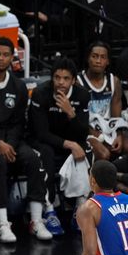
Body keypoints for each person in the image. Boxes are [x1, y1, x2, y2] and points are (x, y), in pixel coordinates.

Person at [0, 36, 52, 241]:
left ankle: (36, 220)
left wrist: (10, 145)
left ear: (11, 58)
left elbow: (18, 123)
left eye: (5, 55)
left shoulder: (18, 87)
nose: (0, 58)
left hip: (12, 139)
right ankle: (2, 223)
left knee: (33, 159)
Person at [27, 58, 91, 234]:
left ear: (73, 80)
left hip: (68, 139)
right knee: (45, 153)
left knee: (86, 150)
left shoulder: (82, 95)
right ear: (51, 78)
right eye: (57, 77)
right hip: (41, 140)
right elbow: (40, 133)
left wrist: (71, 113)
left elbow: (83, 133)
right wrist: (70, 144)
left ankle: (80, 209)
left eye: (66, 78)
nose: (61, 82)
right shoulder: (41, 94)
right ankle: (49, 211)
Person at [77, 41, 128, 159]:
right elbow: (78, 118)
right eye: (94, 56)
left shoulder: (114, 81)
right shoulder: (78, 82)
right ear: (88, 59)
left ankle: (124, 177)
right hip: (88, 130)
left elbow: (116, 116)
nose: (98, 60)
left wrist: (119, 135)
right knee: (104, 154)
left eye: (102, 57)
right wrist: (99, 136)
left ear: (108, 61)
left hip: (108, 129)